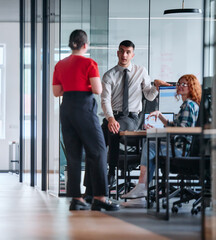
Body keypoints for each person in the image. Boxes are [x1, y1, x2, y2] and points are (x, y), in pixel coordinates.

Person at [53, 29, 119, 211]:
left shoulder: (60, 65)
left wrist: (71, 84)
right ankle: (100, 197)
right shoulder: (89, 63)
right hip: (84, 107)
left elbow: (56, 92)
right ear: (85, 45)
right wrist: (86, 83)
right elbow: (98, 90)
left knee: (73, 155)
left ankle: (76, 199)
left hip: (66, 108)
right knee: (98, 151)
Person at [120, 74, 201, 206]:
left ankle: (142, 187)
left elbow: (181, 131)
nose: (179, 86)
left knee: (151, 145)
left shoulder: (188, 104)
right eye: (179, 83)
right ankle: (141, 194)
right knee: (151, 147)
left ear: (191, 87)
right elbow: (177, 127)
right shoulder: (191, 104)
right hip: (182, 148)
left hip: (180, 150)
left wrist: (157, 131)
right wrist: (161, 116)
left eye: (184, 84)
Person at [101, 40, 171, 187]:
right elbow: (105, 100)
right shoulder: (109, 75)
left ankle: (111, 172)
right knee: (95, 142)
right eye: (122, 51)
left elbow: (149, 96)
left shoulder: (141, 71)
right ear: (117, 53)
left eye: (128, 52)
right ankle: (91, 188)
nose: (124, 55)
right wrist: (111, 118)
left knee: (114, 129)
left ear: (132, 54)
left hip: (131, 117)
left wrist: (156, 87)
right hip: (112, 116)